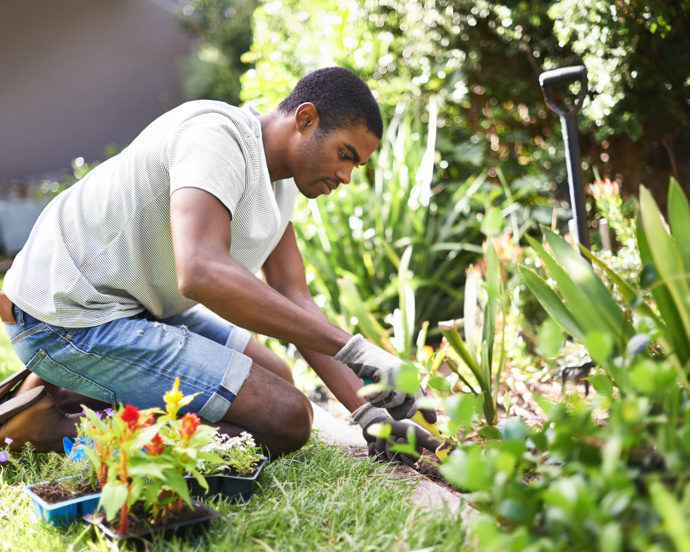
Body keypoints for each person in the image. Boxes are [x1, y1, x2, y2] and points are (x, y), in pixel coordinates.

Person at [0, 67, 439, 464]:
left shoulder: (280, 184)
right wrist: (358, 350)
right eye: (346, 154)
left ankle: (57, 391)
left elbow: (293, 296)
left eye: (356, 165)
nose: (347, 176)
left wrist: (369, 414)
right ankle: (47, 428)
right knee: (285, 418)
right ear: (305, 120)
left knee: (277, 374)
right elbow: (201, 272)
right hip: (68, 315)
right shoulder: (216, 137)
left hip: (131, 307)